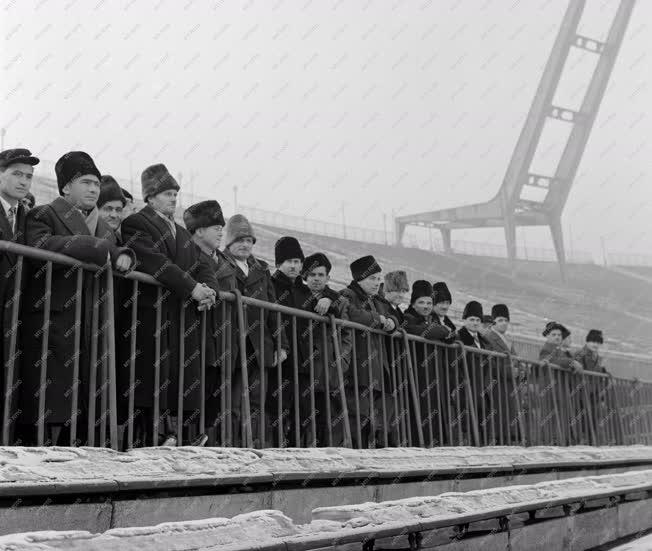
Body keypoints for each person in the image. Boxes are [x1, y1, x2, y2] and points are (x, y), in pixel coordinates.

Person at [19, 151, 135, 446]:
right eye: (86, 182)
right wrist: (96, 247)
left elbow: (114, 251)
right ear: (66, 187)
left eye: (96, 182)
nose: (94, 189)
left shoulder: (99, 226)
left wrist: (120, 255)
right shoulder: (44, 213)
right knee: (50, 395)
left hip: (86, 321)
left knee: (80, 395)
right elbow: (42, 244)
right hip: (52, 318)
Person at [120, 163, 217, 447]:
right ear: (150, 198)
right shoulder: (136, 223)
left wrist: (210, 290)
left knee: (179, 378)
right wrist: (193, 288)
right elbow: (155, 262)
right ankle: (148, 437)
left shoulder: (183, 233)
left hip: (180, 315)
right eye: (166, 193)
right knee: (150, 378)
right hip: (151, 313)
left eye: (175, 193)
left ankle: (176, 434)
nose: (173, 198)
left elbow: (203, 265)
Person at [222, 214, 288, 447]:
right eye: (239, 239)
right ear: (229, 242)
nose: (245, 244)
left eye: (249, 240)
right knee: (232, 400)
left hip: (261, 346)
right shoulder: (221, 262)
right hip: (232, 343)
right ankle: (232, 447)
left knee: (257, 400)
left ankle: (255, 447)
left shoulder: (261, 269)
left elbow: (273, 308)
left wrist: (282, 344)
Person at [183, 200, 235, 446]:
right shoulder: (185, 254)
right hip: (192, 335)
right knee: (189, 393)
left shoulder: (227, 263)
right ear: (199, 230)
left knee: (212, 398)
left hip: (219, 340)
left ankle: (203, 439)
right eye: (215, 226)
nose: (220, 232)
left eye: (222, 227)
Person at [0, 148, 39, 439]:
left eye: (28, 176)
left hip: (14, 312)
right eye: (17, 174)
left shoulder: (27, 216)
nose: (24, 181)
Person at [339, 255, 398, 447]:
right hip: (358, 368)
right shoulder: (348, 294)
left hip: (377, 370)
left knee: (377, 420)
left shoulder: (377, 300)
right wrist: (379, 320)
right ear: (359, 279)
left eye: (379, 278)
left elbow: (393, 317)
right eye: (372, 278)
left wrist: (392, 323)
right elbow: (354, 314)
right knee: (358, 416)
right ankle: (358, 456)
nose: (377, 282)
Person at [300, 252, 351, 446]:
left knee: (327, 416)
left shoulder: (339, 300)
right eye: (312, 275)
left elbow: (347, 334)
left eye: (321, 275)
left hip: (330, 369)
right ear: (305, 277)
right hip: (305, 367)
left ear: (328, 277)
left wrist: (343, 359)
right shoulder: (298, 295)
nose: (316, 279)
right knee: (304, 414)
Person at [97, 175, 126, 241]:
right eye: (108, 209)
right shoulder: (84, 239)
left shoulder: (122, 241)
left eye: (118, 210)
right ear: (94, 210)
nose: (114, 215)